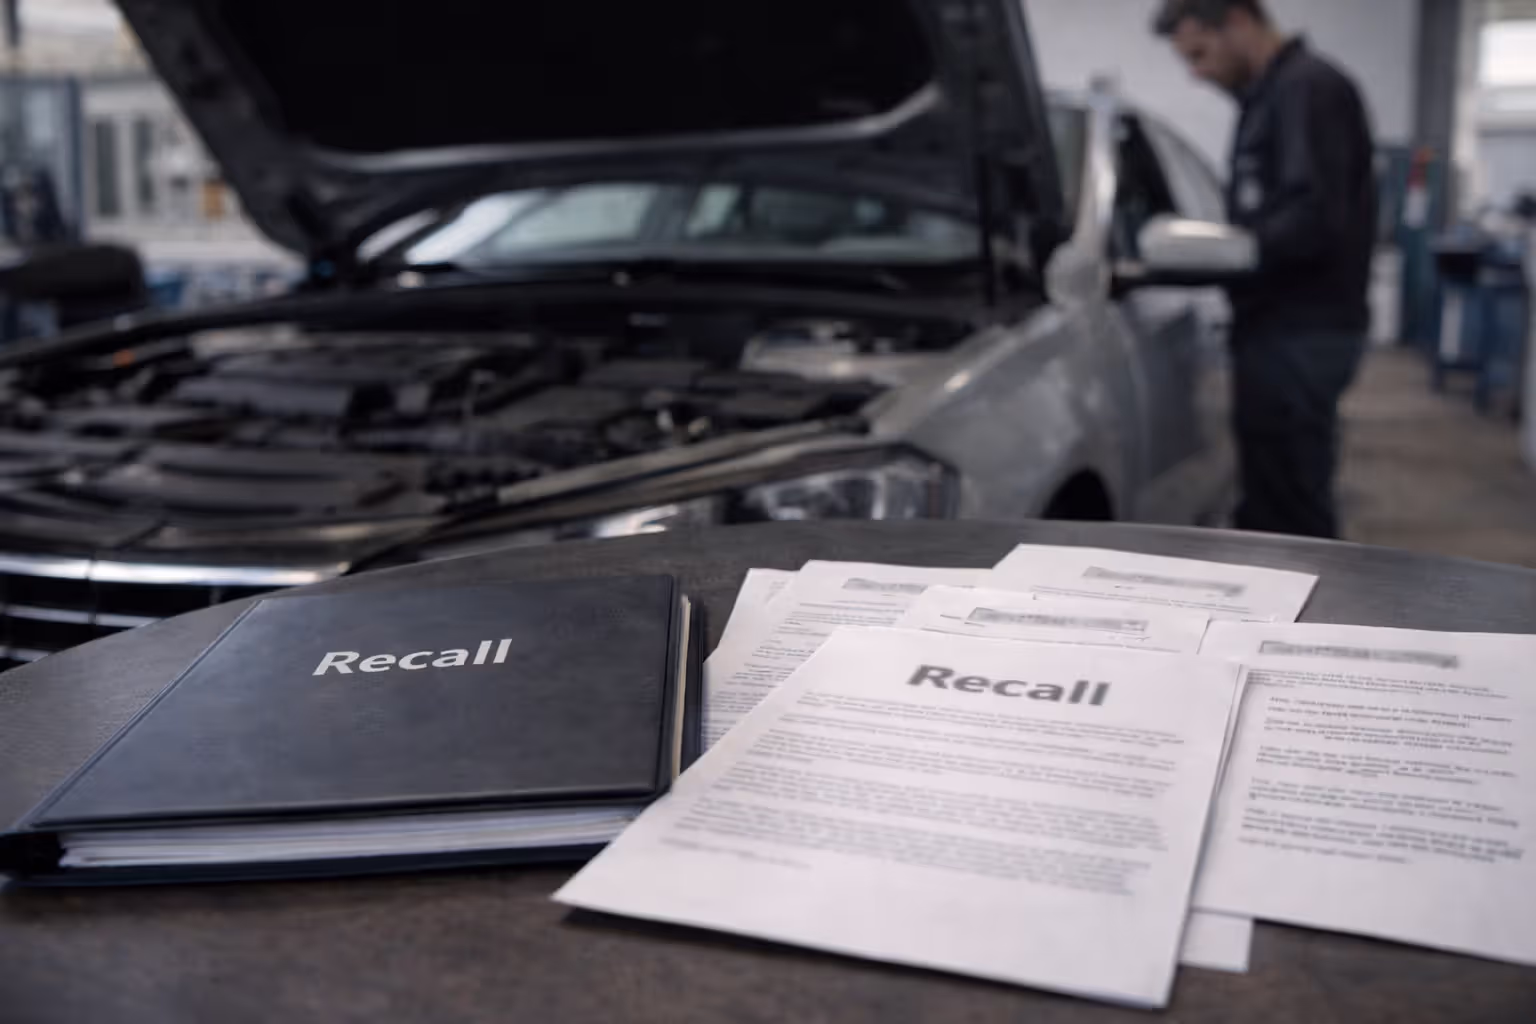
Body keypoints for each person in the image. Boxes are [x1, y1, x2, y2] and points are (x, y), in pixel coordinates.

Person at [1154, 0, 1377, 539]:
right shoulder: (1269, 97)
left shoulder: (1307, 89)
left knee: (1294, 508)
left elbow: (1312, 217)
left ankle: (1310, 619)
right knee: (1270, 502)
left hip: (1303, 331)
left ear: (1236, 20)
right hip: (1280, 329)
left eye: (1201, 54)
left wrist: (1219, 254)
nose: (1197, 73)